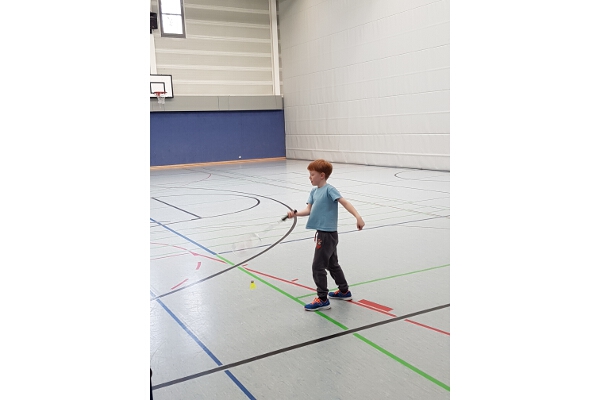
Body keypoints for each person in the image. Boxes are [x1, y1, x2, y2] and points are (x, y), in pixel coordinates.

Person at [287, 159, 365, 311]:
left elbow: (345, 202)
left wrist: (358, 216)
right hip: (323, 233)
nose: (310, 177)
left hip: (327, 235)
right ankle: (344, 291)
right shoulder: (314, 192)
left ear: (322, 175)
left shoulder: (330, 190)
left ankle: (322, 299)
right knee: (332, 264)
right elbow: (308, 210)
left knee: (318, 267)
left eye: (312, 174)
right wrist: (295, 213)